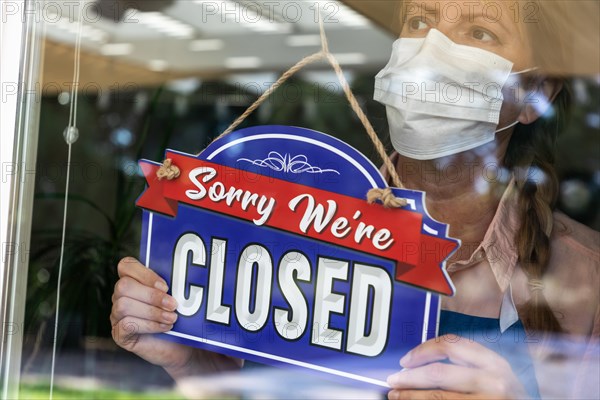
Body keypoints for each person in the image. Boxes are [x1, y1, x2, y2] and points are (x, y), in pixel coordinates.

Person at [110, 1, 599, 398]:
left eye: (480, 33)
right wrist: (194, 362)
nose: (433, 52)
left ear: (538, 89)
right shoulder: (288, 223)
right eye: (421, 22)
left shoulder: (587, 281)